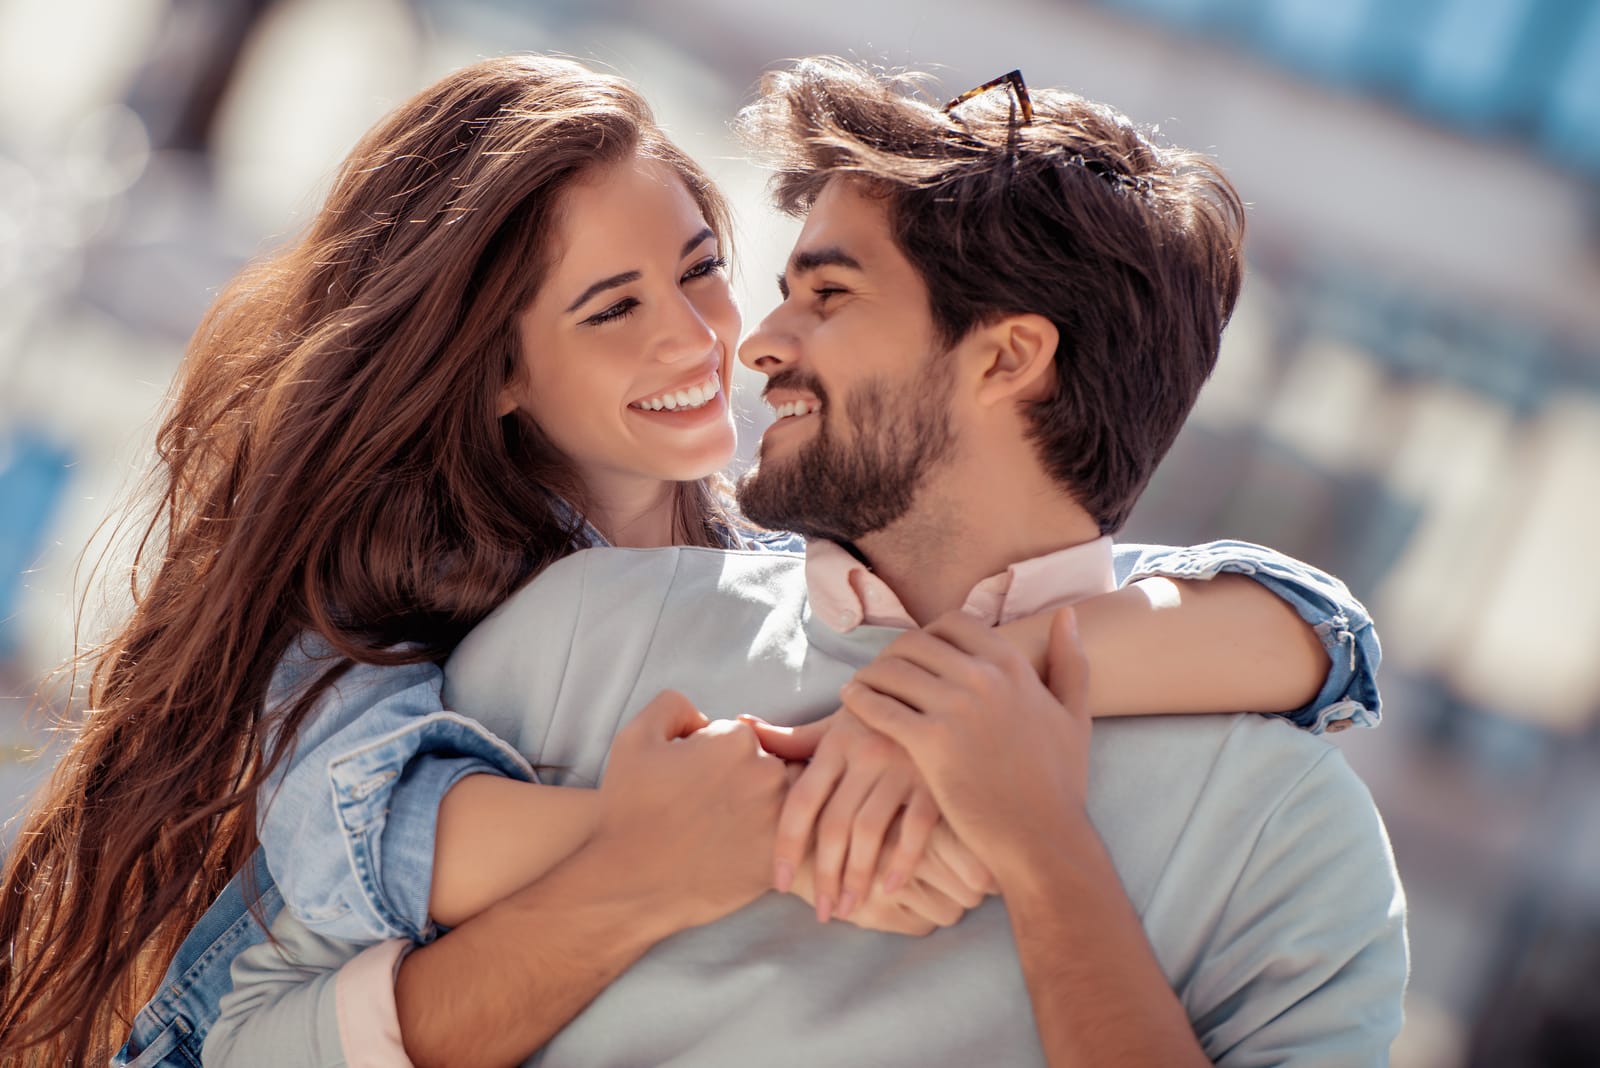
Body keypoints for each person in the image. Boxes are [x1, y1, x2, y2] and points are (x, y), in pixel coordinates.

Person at [0, 55, 1372, 1068]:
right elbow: (262, 1006)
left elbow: (1312, 627)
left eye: (785, 285)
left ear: (1009, 358)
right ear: (492, 381)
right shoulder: (506, 635)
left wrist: (997, 750)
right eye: (614, 309)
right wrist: (736, 835)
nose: (737, 340)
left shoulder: (1289, 822)